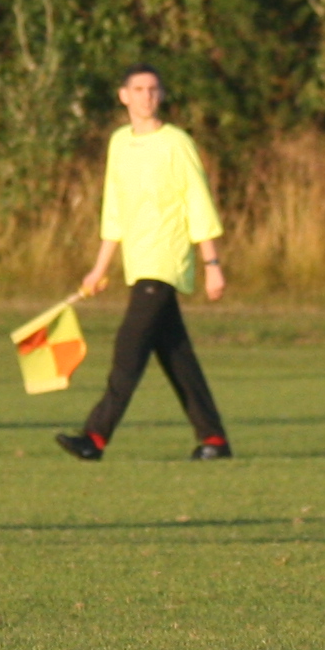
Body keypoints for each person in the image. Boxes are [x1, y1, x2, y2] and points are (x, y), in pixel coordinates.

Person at [57, 67, 231, 463]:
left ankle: (94, 436)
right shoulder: (119, 143)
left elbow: (198, 202)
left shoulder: (176, 143)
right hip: (137, 262)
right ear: (124, 96)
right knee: (176, 355)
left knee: (129, 349)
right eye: (138, 89)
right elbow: (114, 210)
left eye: (153, 89)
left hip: (165, 259)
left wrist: (212, 263)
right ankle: (214, 439)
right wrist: (100, 268)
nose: (146, 96)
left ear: (162, 95)